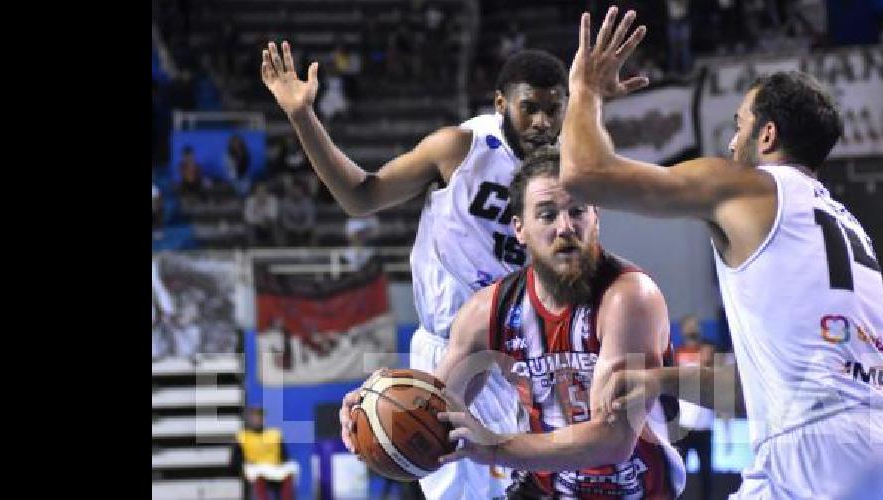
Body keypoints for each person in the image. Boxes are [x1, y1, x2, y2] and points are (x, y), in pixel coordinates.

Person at [561, 7, 883, 498]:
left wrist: (584, 92)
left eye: (739, 125)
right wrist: (661, 378)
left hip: (822, 449)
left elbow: (583, 174)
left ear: (767, 135)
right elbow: (760, 392)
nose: (733, 139)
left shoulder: (745, 187)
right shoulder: (848, 227)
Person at [261, 41, 568, 499]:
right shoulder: (459, 149)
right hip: (447, 349)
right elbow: (360, 196)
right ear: (502, 103)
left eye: (553, 109)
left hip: (515, 355)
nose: (542, 122)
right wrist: (302, 116)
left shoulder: (570, 171)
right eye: (529, 109)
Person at [364, 148, 687, 497]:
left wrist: (496, 449)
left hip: (631, 488)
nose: (565, 227)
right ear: (520, 229)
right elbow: (435, 408)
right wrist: (373, 403)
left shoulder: (629, 297)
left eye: (577, 211)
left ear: (596, 216)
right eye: (547, 215)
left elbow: (612, 440)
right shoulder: (487, 311)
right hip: (542, 487)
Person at [672, 315, 715, 497]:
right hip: (683, 424)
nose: (693, 329)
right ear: (682, 330)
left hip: (704, 424)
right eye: (689, 326)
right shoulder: (676, 354)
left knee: (706, 472)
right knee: (679, 472)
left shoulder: (709, 352)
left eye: (696, 325)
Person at [233, 407, 298, 500]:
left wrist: (280, 465)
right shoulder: (243, 436)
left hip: (274, 467)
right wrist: (243, 469)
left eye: (259, 416)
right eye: (254, 416)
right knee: (258, 475)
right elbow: (236, 460)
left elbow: (285, 456)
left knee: (289, 472)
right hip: (255, 468)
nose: (257, 419)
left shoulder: (275, 434)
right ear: (249, 418)